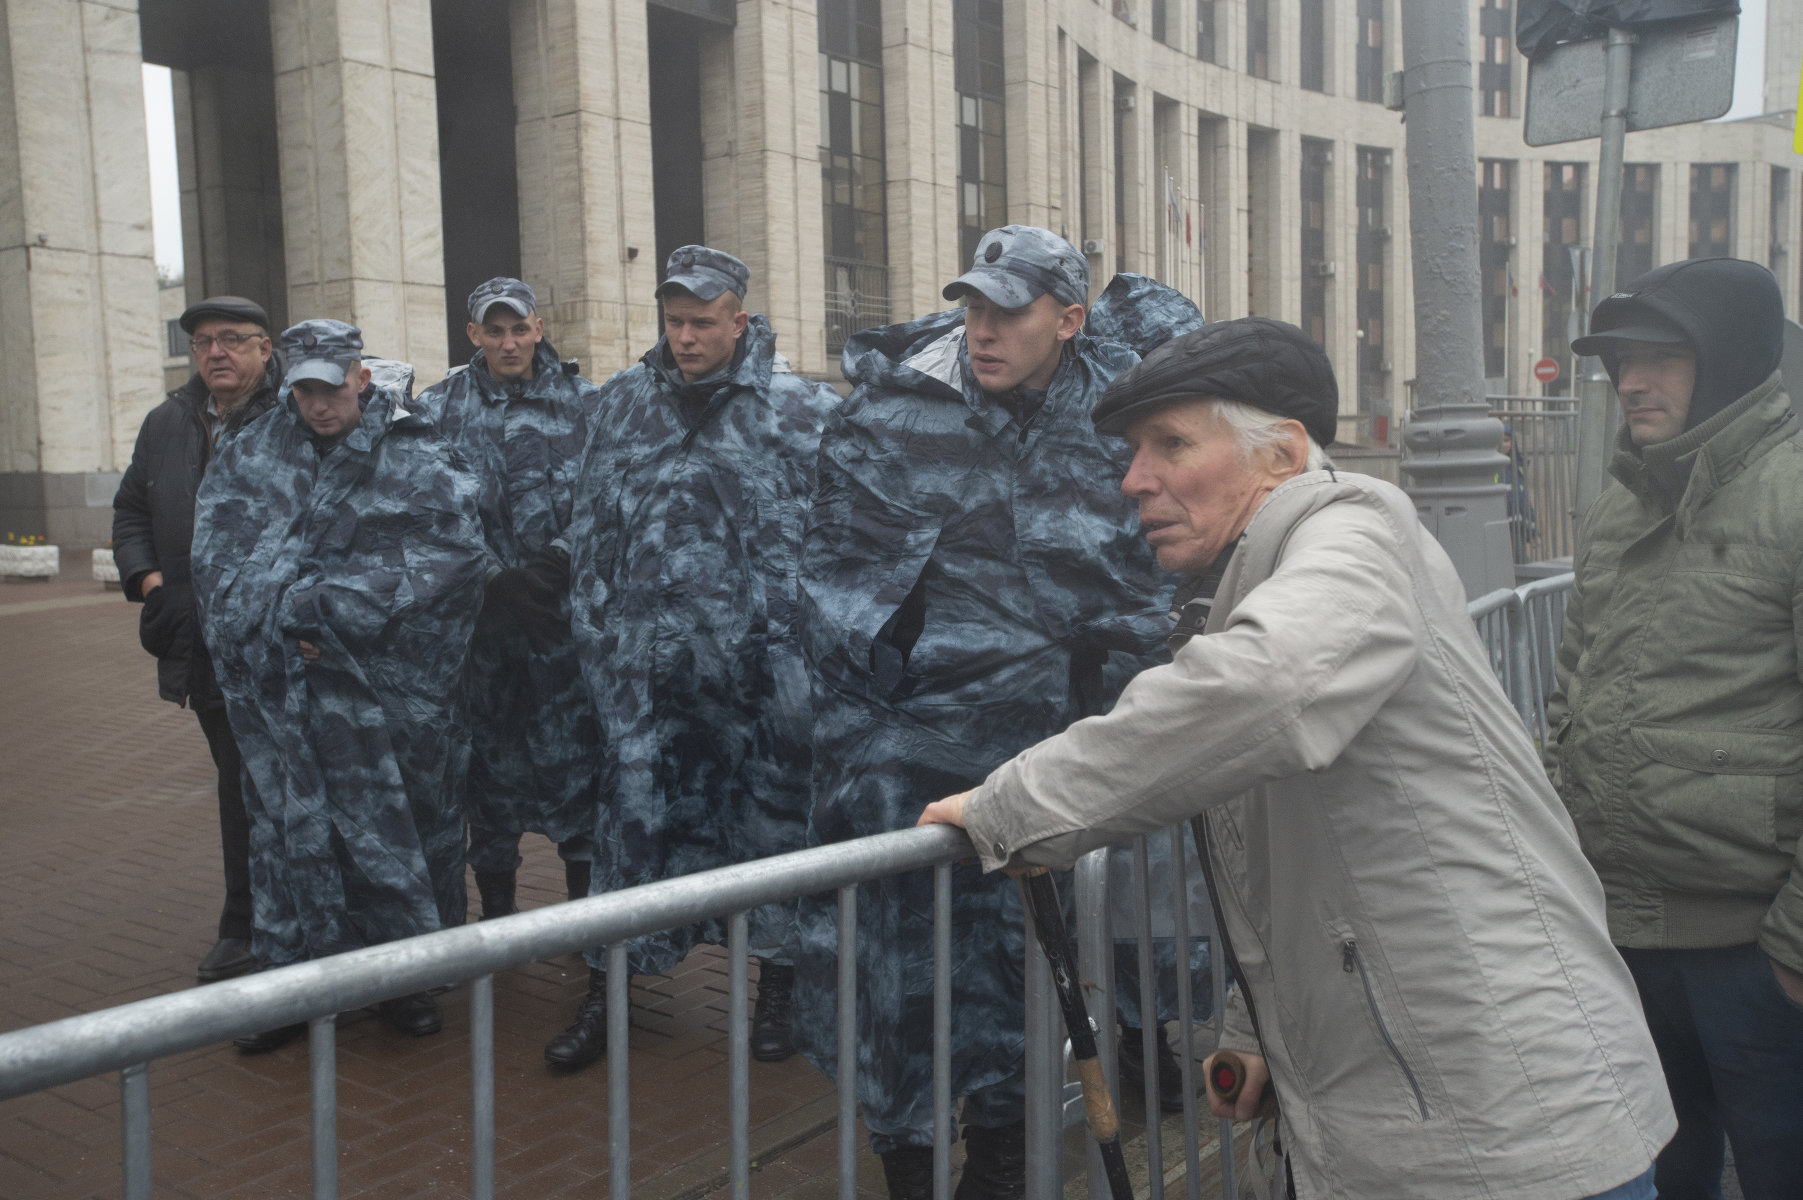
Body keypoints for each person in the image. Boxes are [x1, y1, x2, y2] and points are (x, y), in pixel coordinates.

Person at [918, 316, 1677, 1200]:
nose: (1134, 480)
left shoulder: (1351, 530)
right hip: (1422, 1096)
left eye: (1169, 444)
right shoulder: (1256, 574)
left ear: (1280, 454)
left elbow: (1263, 688)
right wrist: (1251, 1026)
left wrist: (1012, 809)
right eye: (1133, 451)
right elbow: (1282, 849)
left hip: (1498, 1117)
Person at [794, 230, 1203, 1200]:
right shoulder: (892, 414)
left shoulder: (1125, 421)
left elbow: (1163, 577)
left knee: (1031, 981)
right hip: (917, 769)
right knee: (902, 992)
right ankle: (908, 1166)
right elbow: (830, 589)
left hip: (1060, 767)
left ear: (1066, 319)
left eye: (1008, 312)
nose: (983, 329)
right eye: (973, 307)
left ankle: (1004, 1164)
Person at [1549, 256, 1803, 1200]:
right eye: (1621, 361)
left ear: (1729, 360)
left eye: (1662, 357)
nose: (1632, 382)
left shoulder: (1791, 498)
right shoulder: (1622, 504)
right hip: (1621, 938)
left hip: (1754, 951)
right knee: (1660, 1172)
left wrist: (1795, 950)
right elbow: (1571, 687)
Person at [550, 246, 840, 1071]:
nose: (684, 336)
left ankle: (777, 986)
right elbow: (590, 533)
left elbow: (843, 543)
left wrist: (799, 654)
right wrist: (600, 641)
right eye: (674, 320)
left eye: (702, 321)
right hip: (646, 678)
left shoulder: (799, 410)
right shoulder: (620, 405)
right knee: (631, 833)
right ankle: (610, 990)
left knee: (773, 830)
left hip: (759, 683)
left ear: (738, 320)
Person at [192, 319, 493, 1052]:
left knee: (399, 836)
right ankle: (294, 985)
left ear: (360, 376)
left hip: (386, 698)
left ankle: (404, 982)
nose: (320, 405)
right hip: (283, 694)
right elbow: (215, 554)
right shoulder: (254, 450)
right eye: (305, 390)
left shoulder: (420, 457)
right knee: (285, 837)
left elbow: (452, 560)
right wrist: (268, 618)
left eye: (332, 387)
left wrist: (323, 607)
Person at [415, 278, 604, 921]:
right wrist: (492, 576)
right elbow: (429, 509)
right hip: (482, 636)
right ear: (473, 335)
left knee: (579, 774)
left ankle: (581, 922)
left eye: (518, 329)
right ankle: (497, 921)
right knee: (487, 785)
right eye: (493, 331)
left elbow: (610, 497)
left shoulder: (587, 404)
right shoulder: (437, 410)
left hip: (563, 632)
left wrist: (559, 558)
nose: (508, 342)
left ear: (538, 329)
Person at [112, 295, 283, 985]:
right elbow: (131, 511)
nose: (217, 352)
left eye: (234, 339)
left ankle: (321, 929)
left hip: (286, 650)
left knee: (299, 787)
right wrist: (151, 583)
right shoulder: (167, 423)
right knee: (240, 786)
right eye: (204, 341)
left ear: (265, 349)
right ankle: (243, 926)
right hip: (205, 647)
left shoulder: (296, 413)